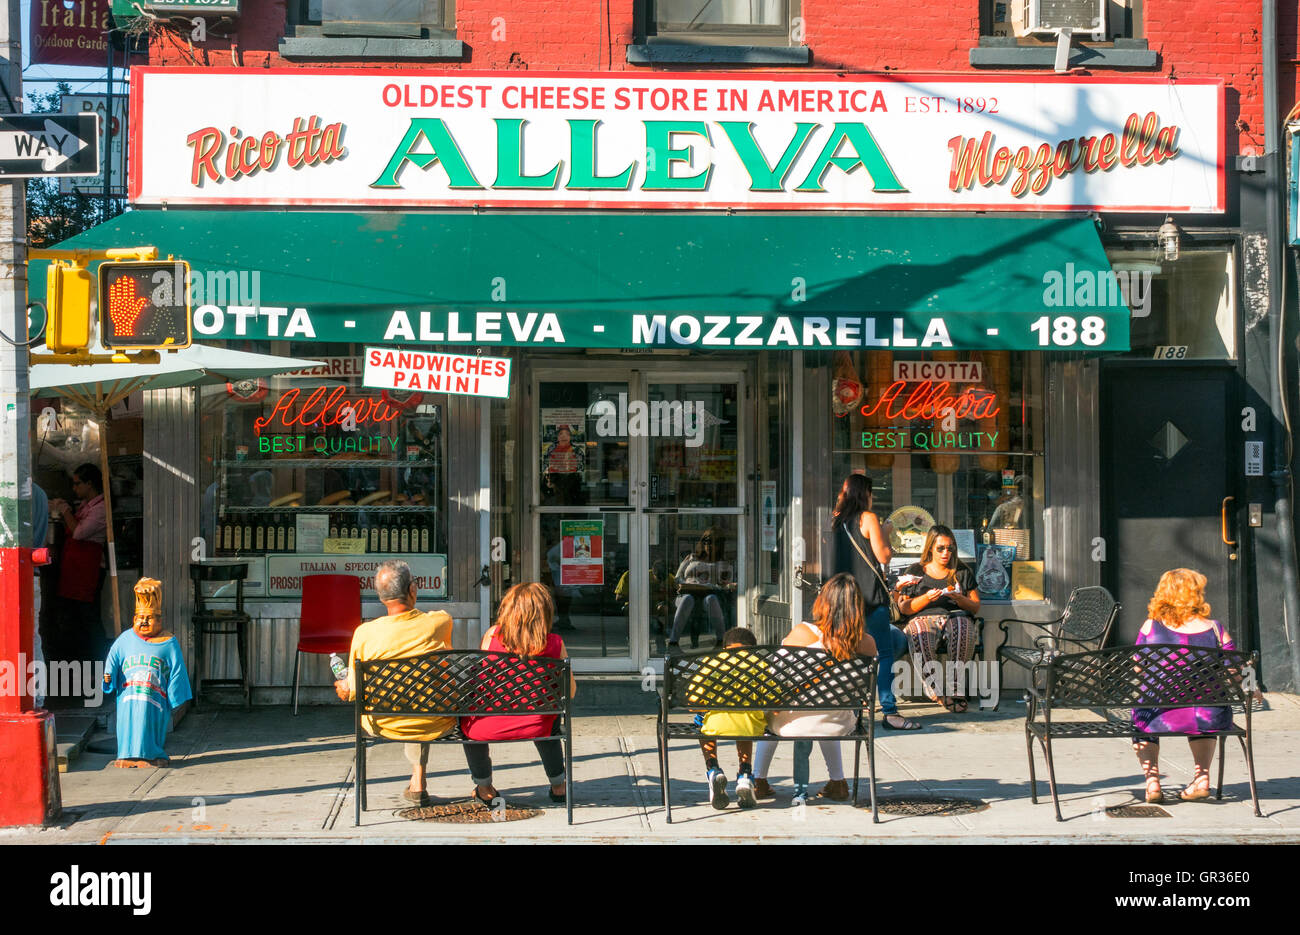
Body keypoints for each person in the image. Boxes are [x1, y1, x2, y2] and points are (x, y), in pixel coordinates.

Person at [334, 559, 455, 807]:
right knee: (422, 695)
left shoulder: (364, 633)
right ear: (413, 590)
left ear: (380, 597)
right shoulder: (439, 623)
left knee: (411, 696)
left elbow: (354, 691)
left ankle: (417, 781)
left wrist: (344, 688)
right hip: (432, 720)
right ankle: (419, 780)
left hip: (382, 721)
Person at [1131, 569, 1256, 804]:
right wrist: (1253, 686)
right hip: (1209, 716)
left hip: (1159, 715)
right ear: (1196, 594)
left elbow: (1138, 668)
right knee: (1207, 706)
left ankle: (1152, 782)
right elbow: (1236, 669)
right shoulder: (1215, 628)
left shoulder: (1150, 626)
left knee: (1140, 713)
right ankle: (1201, 779)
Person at [751, 573, 878, 804]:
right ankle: (838, 783)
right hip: (838, 723)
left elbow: (775, 677)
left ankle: (758, 781)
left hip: (793, 723)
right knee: (828, 708)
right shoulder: (867, 643)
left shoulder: (803, 633)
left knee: (770, 714)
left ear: (825, 601)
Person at [461, 583, 577, 807]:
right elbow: (569, 692)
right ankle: (559, 786)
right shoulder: (554, 643)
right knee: (551, 718)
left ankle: (484, 788)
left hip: (487, 725)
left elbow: (480, 681)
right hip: (537, 725)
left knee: (468, 720)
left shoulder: (493, 635)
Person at [829, 473, 918, 730]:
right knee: (885, 652)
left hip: (843, 599)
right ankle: (889, 711)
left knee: (851, 653)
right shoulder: (868, 518)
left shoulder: (835, 520)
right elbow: (884, 556)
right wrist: (886, 531)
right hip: (868, 597)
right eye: (871, 492)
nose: (873, 497)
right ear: (864, 493)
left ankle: (854, 712)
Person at [102, 578, 192, 767]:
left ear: (159, 620)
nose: (143, 621)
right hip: (128, 695)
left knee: (149, 725)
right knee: (128, 724)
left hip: (155, 698)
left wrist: (175, 695)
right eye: (140, 618)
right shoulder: (125, 639)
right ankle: (126, 754)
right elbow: (113, 658)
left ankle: (152, 754)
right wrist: (108, 674)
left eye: (148, 618)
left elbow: (177, 670)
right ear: (134, 619)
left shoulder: (168, 642)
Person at [894, 524, 981, 713]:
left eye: (950, 548)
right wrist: (926, 598)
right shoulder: (917, 570)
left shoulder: (961, 571)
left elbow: (975, 606)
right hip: (923, 617)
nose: (945, 553)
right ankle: (937, 691)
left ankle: (955, 690)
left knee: (962, 627)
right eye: (940, 548)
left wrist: (959, 598)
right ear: (931, 548)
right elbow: (905, 608)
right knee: (918, 631)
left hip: (955, 616)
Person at [688, 627, 774, 810]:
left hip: (715, 725)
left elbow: (693, 702)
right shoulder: (760, 664)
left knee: (701, 719)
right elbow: (773, 701)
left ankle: (713, 770)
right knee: (744, 720)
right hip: (751, 727)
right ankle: (745, 774)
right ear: (751, 648)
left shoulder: (712, 662)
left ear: (725, 646)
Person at [50, 463, 108, 667]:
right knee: (75, 620)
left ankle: (100, 664)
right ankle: (80, 663)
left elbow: (79, 532)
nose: (74, 488)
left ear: (89, 484)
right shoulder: (86, 505)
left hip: (88, 573)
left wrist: (65, 510)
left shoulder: (101, 509)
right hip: (75, 570)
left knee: (90, 620)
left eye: (77, 484)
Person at [668, 526, 734, 648]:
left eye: (713, 542)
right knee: (688, 599)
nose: (709, 545)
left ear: (719, 545)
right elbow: (677, 578)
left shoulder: (723, 563)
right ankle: (673, 641)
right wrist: (682, 584)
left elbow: (725, 583)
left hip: (708, 595)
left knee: (711, 599)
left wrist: (724, 585)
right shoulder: (691, 558)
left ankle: (721, 640)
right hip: (686, 593)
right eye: (706, 541)